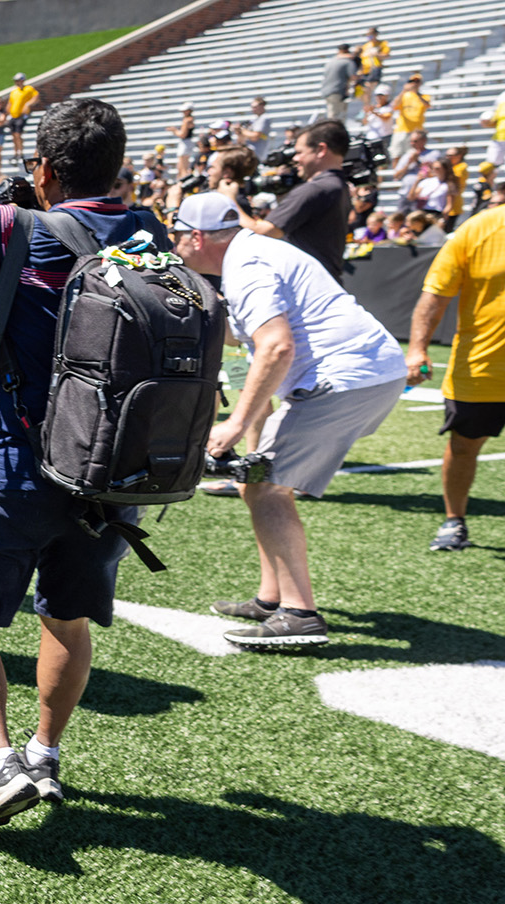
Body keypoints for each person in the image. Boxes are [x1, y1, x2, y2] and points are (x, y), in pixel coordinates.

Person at [0, 98, 170, 828]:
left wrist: (4, 209)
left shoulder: (21, 226)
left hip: (22, 463)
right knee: (67, 618)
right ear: (119, 171)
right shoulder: (150, 232)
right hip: (117, 475)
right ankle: (46, 754)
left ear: (43, 170)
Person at [173, 192, 406, 649]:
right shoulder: (253, 254)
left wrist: (235, 425)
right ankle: (271, 597)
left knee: (265, 484)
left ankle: (300, 614)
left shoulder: (247, 266)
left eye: (177, 234)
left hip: (347, 377)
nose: (175, 243)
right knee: (255, 482)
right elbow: (246, 338)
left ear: (197, 236)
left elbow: (277, 346)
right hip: (363, 373)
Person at [407, 194, 505, 551]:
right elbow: (434, 297)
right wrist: (417, 349)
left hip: (481, 366)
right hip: (482, 367)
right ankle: (454, 520)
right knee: (463, 445)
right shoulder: (478, 228)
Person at [226, 119, 351, 281]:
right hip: (322, 281)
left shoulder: (316, 189)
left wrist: (229, 199)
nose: (295, 159)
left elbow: (263, 231)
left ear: (321, 150)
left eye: (299, 152)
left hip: (308, 288)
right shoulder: (339, 185)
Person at [4, 71, 40, 164]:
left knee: (18, 134)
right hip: (13, 116)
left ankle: (21, 152)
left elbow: (36, 97)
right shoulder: (14, 91)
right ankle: (16, 152)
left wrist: (28, 104)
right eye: (16, 81)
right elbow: (10, 103)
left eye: (18, 80)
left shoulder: (28, 89)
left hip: (21, 115)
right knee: (13, 135)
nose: (17, 82)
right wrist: (6, 113)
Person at [319, 44, 356, 124]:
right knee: (335, 117)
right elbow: (353, 76)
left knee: (332, 114)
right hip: (337, 91)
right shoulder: (347, 62)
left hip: (326, 91)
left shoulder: (331, 62)